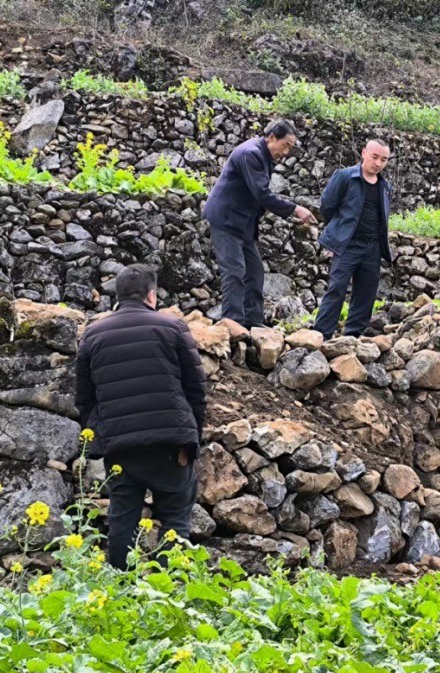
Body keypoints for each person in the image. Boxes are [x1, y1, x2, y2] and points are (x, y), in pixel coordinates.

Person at [75, 265, 207, 570]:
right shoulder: (173, 327)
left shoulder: (93, 334)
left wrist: (102, 436)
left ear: (117, 296)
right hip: (171, 444)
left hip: (121, 447)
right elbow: (196, 388)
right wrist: (191, 436)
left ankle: (120, 593)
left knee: (122, 519)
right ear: (152, 295)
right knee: (175, 517)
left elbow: (83, 398)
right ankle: (171, 592)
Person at [203, 120, 316, 330]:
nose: (287, 152)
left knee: (255, 272)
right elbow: (262, 194)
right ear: (272, 137)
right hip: (226, 219)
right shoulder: (251, 153)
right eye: (286, 145)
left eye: (291, 147)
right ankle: (233, 323)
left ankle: (254, 322)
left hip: (243, 223)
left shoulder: (264, 155)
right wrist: (295, 209)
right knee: (234, 271)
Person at [312, 139, 394, 339]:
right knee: (337, 287)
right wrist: (338, 234)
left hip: (373, 245)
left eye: (384, 159)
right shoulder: (345, 177)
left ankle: (353, 335)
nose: (378, 163)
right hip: (348, 244)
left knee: (366, 291)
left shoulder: (385, 186)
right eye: (375, 157)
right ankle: (322, 334)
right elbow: (327, 206)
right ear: (363, 153)